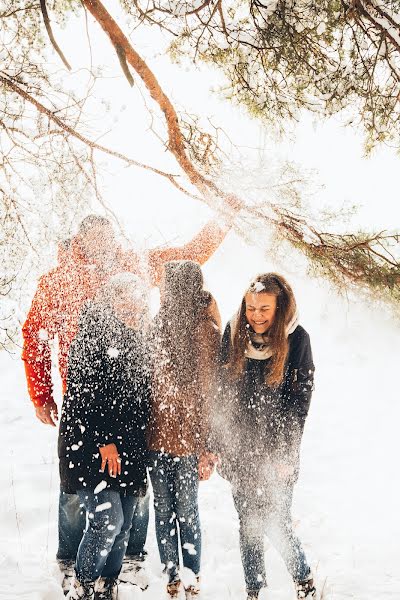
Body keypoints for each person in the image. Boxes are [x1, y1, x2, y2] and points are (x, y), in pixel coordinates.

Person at [21, 209, 239, 588]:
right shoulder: (59, 281)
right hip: (85, 401)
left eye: (108, 237)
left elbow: (190, 254)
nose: (102, 244)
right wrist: (41, 393)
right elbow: (35, 335)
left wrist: (225, 215)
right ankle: (70, 559)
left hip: (133, 400)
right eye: (94, 238)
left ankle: (131, 558)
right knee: (76, 489)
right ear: (80, 240)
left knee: (134, 487)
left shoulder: (133, 264)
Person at [215, 273, 316, 600]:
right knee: (248, 526)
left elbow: (299, 403)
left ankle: (304, 581)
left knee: (275, 522)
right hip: (240, 448)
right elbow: (221, 390)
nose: (256, 315)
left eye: (264, 309)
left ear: (280, 307)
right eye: (251, 307)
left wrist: (285, 455)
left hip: (277, 452)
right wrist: (217, 443)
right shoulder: (234, 332)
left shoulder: (297, 339)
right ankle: (253, 590)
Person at [59, 273, 150, 600]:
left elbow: (139, 401)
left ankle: (105, 587)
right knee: (107, 521)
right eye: (123, 297)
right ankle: (83, 587)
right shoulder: (91, 336)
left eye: (135, 298)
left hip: (130, 449)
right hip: (92, 447)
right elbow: (84, 397)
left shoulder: (139, 339)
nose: (130, 304)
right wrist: (104, 442)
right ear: (109, 300)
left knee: (123, 525)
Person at [147, 260, 221, 598]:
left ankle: (191, 577)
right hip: (156, 437)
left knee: (187, 511)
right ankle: (172, 577)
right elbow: (148, 383)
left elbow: (212, 393)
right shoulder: (157, 325)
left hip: (191, 441)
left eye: (169, 285)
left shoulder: (205, 331)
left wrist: (209, 446)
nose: (165, 291)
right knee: (163, 511)